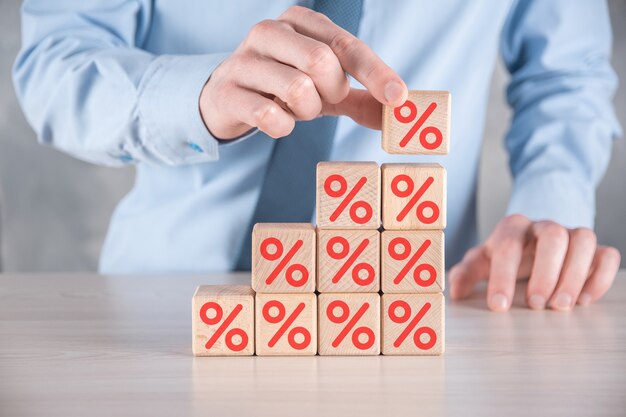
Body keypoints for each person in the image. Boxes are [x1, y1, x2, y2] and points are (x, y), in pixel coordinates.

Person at [13, 0, 622, 312]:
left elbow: (565, 74)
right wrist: (199, 95)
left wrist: (552, 202)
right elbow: (55, 60)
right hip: (158, 310)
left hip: (411, 307)